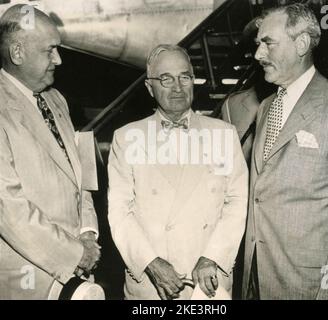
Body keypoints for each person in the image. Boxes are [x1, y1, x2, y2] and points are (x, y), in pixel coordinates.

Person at [108, 44, 248, 300]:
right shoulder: (126, 138)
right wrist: (150, 262)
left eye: (184, 77)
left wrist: (212, 256)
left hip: (208, 281)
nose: (177, 87)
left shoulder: (224, 135)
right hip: (152, 286)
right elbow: (119, 212)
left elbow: (237, 203)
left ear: (193, 82)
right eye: (166, 79)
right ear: (150, 88)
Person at [242, 3, 328, 299]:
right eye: (258, 45)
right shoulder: (266, 107)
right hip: (256, 278)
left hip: (306, 285)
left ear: (302, 44)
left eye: (268, 43)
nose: (258, 55)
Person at [0, 5, 100, 299]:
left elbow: (82, 175)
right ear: (18, 53)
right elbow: (8, 208)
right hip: (28, 279)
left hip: (79, 270)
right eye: (50, 50)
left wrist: (88, 232)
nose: (58, 60)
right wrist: (73, 254)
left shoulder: (57, 100)